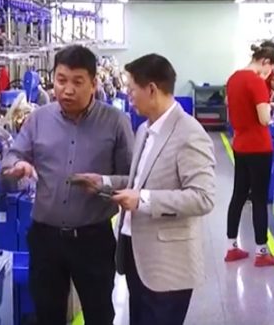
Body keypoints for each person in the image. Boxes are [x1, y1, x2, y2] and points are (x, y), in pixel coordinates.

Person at [74, 54, 217, 325]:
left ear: (151, 89)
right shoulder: (144, 130)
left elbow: (203, 197)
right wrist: (103, 182)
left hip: (168, 266)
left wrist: (143, 200)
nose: (129, 98)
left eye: (132, 91)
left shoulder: (189, 133)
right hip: (137, 256)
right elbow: (139, 181)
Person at [1, 45, 134, 325]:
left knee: (99, 314)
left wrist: (104, 183)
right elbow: (12, 155)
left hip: (93, 239)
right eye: (61, 80)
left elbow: (133, 179)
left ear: (94, 83)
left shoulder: (115, 122)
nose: (67, 90)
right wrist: (17, 165)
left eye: (77, 82)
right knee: (48, 314)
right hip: (45, 238)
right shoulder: (38, 119)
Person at [224, 45, 274, 266]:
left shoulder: (233, 78)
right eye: (271, 69)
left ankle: (231, 247)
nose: (270, 74)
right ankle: (261, 252)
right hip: (258, 147)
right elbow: (264, 119)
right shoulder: (256, 82)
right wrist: (269, 104)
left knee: (238, 195)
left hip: (240, 144)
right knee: (259, 199)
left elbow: (230, 104)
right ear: (265, 62)